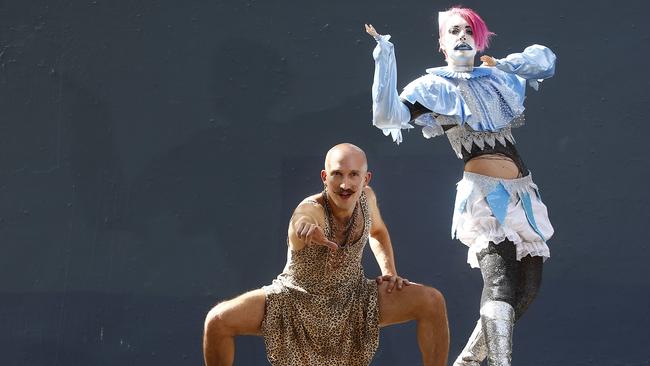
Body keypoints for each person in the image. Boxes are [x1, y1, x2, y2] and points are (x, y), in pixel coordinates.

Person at [365, 6, 556, 366]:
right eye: (453, 31)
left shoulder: (497, 78)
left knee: (526, 289)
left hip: (523, 195)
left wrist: (507, 64)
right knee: (499, 283)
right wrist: (385, 56)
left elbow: (545, 61)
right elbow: (387, 116)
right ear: (441, 43)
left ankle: (467, 361)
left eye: (468, 30)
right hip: (486, 197)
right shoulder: (435, 88)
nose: (462, 36)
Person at [203, 143, 450, 366]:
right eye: (337, 175)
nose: (345, 184)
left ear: (366, 179)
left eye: (354, 175)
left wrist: (389, 273)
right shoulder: (311, 209)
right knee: (218, 320)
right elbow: (301, 220)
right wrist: (305, 229)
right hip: (294, 302)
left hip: (354, 299)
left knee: (431, 300)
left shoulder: (368, 199)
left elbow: (379, 232)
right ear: (324, 177)